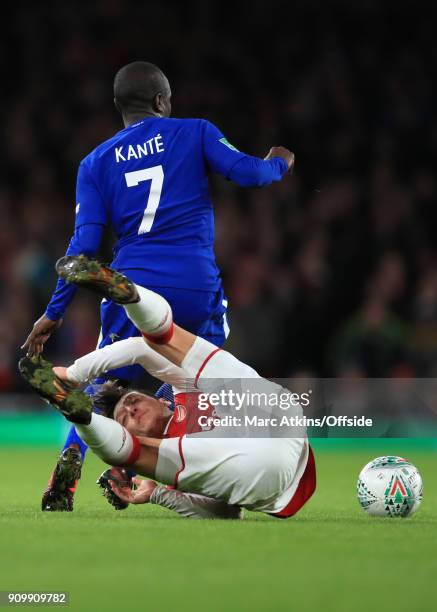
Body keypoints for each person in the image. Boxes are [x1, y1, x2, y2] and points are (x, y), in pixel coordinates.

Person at [20, 61, 295, 510]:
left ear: (118, 107)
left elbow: (83, 245)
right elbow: (250, 174)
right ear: (161, 101)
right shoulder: (195, 132)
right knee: (196, 375)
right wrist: (279, 162)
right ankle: (140, 464)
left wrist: (54, 311)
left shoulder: (95, 163)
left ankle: (70, 465)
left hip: (132, 278)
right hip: (194, 285)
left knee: (105, 379)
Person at [20, 256, 315, 520]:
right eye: (125, 418)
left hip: (281, 417)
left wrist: (74, 372)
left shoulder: (183, 394)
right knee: (161, 456)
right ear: (128, 434)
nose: (132, 409)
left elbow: (139, 348)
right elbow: (224, 511)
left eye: (133, 401)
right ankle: (78, 413)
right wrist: (157, 494)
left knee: (188, 358)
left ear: (160, 401)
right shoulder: (176, 466)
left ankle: (131, 297)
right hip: (267, 475)